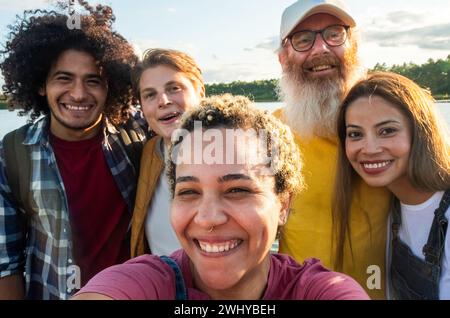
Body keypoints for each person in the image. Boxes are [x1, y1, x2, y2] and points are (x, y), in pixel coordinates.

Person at [73, 94, 369, 300]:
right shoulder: (148, 283)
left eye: (237, 190)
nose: (208, 217)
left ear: (283, 203)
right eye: (189, 192)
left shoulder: (319, 290)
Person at [0, 1, 149, 299]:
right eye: (64, 78)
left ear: (111, 88)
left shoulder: (138, 135)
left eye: (93, 81)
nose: (79, 93)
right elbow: (6, 262)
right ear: (41, 85)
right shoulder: (13, 152)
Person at [275, 0, 390, 298]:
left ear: (353, 46)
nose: (321, 49)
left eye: (334, 34)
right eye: (303, 39)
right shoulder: (267, 133)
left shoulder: (396, 119)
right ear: (283, 58)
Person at [335, 72, 450, 300]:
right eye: (355, 134)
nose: (369, 148)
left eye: (387, 131)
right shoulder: (389, 208)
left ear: (420, 133)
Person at [130, 48, 205, 257]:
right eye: (150, 95)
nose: (163, 101)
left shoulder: (234, 150)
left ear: (200, 92)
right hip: (160, 286)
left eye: (174, 88)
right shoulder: (149, 153)